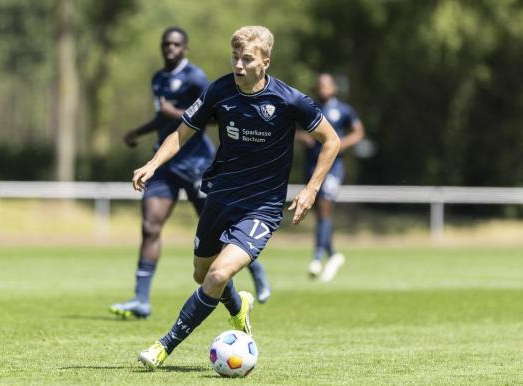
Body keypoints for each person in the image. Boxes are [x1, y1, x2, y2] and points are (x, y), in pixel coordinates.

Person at [132, 26, 341, 370]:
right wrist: (153, 164)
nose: (239, 65)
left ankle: (163, 346)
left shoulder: (289, 101)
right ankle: (238, 307)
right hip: (221, 198)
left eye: (247, 59)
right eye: (235, 58)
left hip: (262, 207)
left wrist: (311, 188)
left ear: (265, 62)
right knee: (202, 275)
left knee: (217, 276)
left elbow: (331, 140)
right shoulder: (219, 91)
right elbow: (182, 132)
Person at [109, 27, 272, 320]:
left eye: (175, 44)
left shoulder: (197, 78)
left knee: (222, 230)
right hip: (166, 162)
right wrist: (139, 131)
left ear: (185, 48)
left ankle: (256, 271)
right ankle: (141, 299)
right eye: (165, 44)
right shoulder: (158, 78)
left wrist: (176, 115)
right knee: (150, 226)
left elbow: (215, 115)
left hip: (197, 163)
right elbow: (164, 116)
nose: (169, 48)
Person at [296, 74, 365, 282]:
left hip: (333, 168)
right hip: (312, 167)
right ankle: (333, 255)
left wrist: (340, 144)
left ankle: (317, 258)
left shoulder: (343, 110)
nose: (323, 88)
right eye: (320, 85)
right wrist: (303, 138)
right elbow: (294, 130)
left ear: (334, 88)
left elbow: (359, 132)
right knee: (318, 213)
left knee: (325, 208)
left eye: (326, 85)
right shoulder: (311, 108)